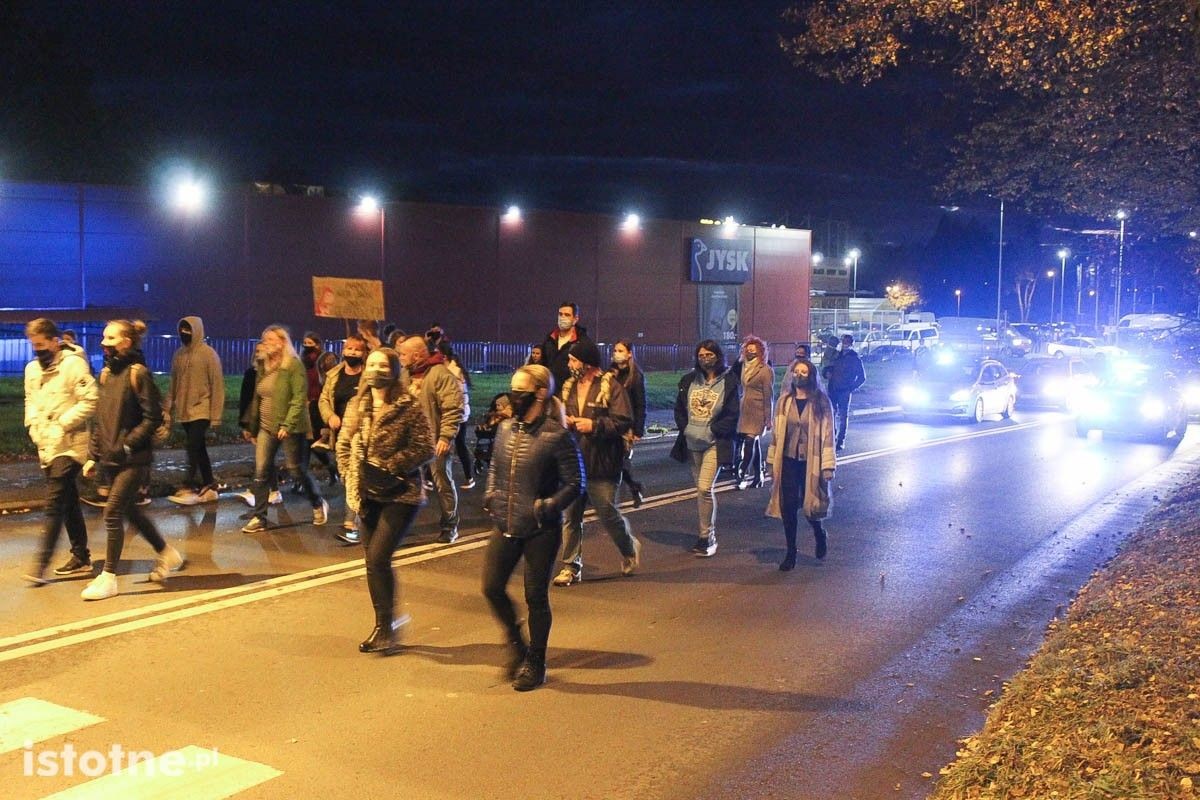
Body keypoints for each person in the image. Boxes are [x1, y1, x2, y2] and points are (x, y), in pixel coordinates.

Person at [482, 364, 584, 691]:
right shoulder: (505, 429)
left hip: (541, 528)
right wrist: (491, 494)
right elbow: (495, 466)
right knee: (491, 587)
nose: (512, 396)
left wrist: (547, 506)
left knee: (535, 596)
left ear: (540, 393)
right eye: (511, 389)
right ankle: (516, 643)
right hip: (506, 522)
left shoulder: (556, 435)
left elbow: (575, 482)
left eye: (519, 391)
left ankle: (536, 661)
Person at [79, 319, 185, 600]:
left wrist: (127, 446)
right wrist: (92, 457)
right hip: (111, 458)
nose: (104, 343)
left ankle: (109, 578)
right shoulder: (105, 375)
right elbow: (101, 421)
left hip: (134, 459)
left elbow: (152, 418)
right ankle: (167, 552)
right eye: (104, 338)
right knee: (130, 512)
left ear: (126, 342)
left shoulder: (139, 374)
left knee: (112, 512)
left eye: (111, 338)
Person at [340, 347, 435, 655]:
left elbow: (425, 448)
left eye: (382, 365)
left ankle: (385, 629)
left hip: (400, 492)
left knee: (379, 556)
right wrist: (348, 472)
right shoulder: (358, 404)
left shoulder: (408, 406)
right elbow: (344, 442)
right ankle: (386, 623)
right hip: (367, 492)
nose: (375, 370)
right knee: (372, 561)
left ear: (394, 371)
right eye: (371, 364)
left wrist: (392, 466)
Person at [552, 341, 641, 586]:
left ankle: (629, 548)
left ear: (588, 364)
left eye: (573, 360)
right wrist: (565, 421)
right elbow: (557, 414)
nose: (569, 365)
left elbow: (623, 420)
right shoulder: (568, 387)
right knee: (570, 517)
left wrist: (594, 425)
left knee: (607, 513)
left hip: (602, 462)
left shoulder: (610, 386)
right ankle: (571, 566)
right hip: (573, 462)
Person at [22, 318, 99, 584]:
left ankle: (40, 565)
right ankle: (81, 555)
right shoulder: (32, 370)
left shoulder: (73, 365)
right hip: (47, 443)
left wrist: (63, 423)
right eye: (33, 345)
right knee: (67, 501)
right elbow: (30, 400)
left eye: (41, 345)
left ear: (55, 342)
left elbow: (91, 399)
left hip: (71, 444)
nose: (37, 350)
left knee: (54, 502)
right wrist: (32, 426)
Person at [239, 325, 328, 533]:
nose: (266, 343)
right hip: (266, 427)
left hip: (290, 427)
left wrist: (288, 424)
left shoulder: (293, 366)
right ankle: (259, 517)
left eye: (270, 339)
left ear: (282, 343)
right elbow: (257, 398)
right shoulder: (263, 365)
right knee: (261, 471)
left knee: (295, 469)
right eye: (264, 339)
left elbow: (299, 398)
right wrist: (251, 426)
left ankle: (317, 502)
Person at [670, 339, 740, 557]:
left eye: (709, 355)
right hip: (692, 442)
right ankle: (704, 533)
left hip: (714, 443)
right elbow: (679, 408)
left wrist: (714, 430)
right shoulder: (689, 380)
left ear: (718, 356)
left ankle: (707, 537)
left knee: (704, 488)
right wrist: (686, 428)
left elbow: (732, 414)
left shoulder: (729, 381)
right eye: (701, 355)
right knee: (701, 492)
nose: (705, 359)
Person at [766, 359, 836, 570]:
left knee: (810, 506)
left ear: (811, 375)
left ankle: (819, 532)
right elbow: (776, 434)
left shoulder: (821, 402)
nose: (799, 375)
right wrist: (771, 461)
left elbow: (828, 435)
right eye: (796, 371)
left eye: (804, 372)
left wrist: (828, 465)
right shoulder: (784, 402)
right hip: (788, 461)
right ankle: (791, 552)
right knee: (788, 506)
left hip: (811, 461)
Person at [398, 336, 464, 543]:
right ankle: (399, 525)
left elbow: (453, 408)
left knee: (442, 484)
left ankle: (450, 525)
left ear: (417, 355)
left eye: (403, 354)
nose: (400, 358)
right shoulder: (405, 375)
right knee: (405, 484)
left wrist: (445, 436)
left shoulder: (440, 374)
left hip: (435, 441)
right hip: (410, 442)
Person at [164, 316, 225, 505]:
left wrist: (216, 416)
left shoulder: (209, 354)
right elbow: (173, 383)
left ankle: (188, 484)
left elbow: (217, 386)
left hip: (202, 409)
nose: (184, 334)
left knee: (192, 445)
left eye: (188, 330)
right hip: (184, 411)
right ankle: (209, 483)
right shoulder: (179, 355)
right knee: (199, 448)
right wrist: (167, 407)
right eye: (181, 330)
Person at [321, 335, 367, 544]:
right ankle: (368, 518)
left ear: (364, 353)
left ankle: (351, 525)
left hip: (360, 435)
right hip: (339, 435)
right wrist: (330, 416)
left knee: (354, 478)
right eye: (349, 348)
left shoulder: (368, 376)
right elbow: (324, 399)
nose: (352, 352)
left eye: (357, 349)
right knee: (348, 478)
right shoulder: (334, 375)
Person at [235, 342, 282, 509]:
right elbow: (245, 399)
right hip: (257, 420)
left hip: (272, 420)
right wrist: (246, 425)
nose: (258, 354)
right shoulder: (251, 374)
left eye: (261, 351)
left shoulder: (275, 374)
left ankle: (259, 492)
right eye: (256, 351)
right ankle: (272, 491)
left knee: (265, 458)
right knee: (265, 458)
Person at [609, 339, 646, 506]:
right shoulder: (610, 373)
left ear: (629, 354)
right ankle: (633, 487)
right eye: (615, 350)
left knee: (621, 461)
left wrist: (638, 430)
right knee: (611, 460)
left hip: (626, 426)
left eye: (620, 351)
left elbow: (640, 404)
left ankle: (619, 496)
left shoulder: (635, 376)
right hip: (610, 422)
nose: (616, 354)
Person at [735, 336, 774, 491]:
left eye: (753, 350)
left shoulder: (765, 370)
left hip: (758, 411)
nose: (750, 352)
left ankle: (743, 471)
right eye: (748, 349)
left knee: (749, 441)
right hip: (745, 409)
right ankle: (758, 476)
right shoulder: (744, 366)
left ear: (760, 352)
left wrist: (768, 418)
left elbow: (768, 395)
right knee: (754, 442)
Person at [299, 332, 337, 485]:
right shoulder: (302, 362)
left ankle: (330, 467)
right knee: (305, 443)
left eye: (310, 343)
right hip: (304, 404)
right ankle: (301, 480)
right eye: (305, 343)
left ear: (317, 344)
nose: (307, 346)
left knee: (312, 442)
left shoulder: (323, 361)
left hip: (317, 405)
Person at [437, 341, 476, 489]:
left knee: (457, 445)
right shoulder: (451, 369)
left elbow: (456, 397)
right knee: (455, 445)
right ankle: (468, 477)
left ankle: (469, 477)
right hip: (459, 413)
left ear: (444, 356)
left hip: (458, 415)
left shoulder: (453, 372)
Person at [824, 334, 867, 452]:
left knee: (843, 416)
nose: (845, 344)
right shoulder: (837, 355)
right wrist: (826, 373)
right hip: (833, 389)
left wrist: (850, 388)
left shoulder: (854, 358)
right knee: (831, 415)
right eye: (843, 341)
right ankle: (832, 438)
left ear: (851, 344)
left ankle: (840, 440)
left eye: (847, 342)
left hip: (844, 391)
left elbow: (862, 377)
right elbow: (827, 367)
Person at [540, 301, 593, 391]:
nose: (562, 318)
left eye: (567, 315)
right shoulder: (549, 339)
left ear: (575, 319)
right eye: (560, 314)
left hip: (572, 392)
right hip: (550, 390)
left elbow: (588, 369)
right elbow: (543, 364)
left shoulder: (582, 341)